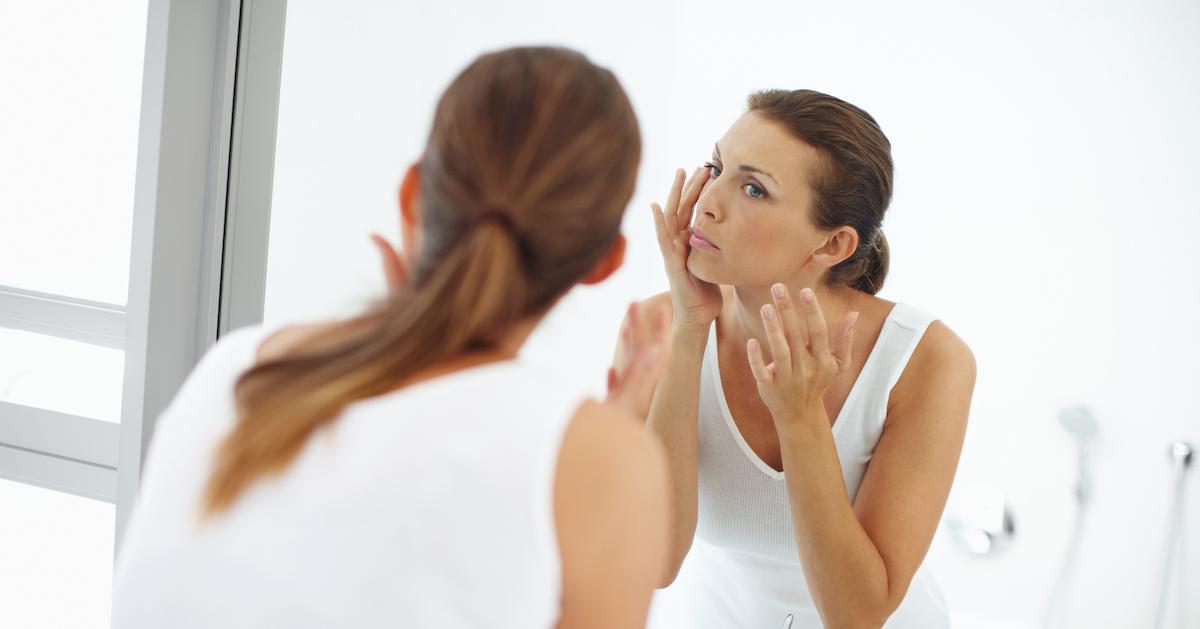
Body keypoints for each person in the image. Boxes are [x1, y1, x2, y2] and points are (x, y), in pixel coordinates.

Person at [112, 46, 673, 629]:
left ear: (411, 193)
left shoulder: (238, 365)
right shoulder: (603, 462)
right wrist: (609, 452)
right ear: (605, 263)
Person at [619, 89, 977, 628]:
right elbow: (651, 561)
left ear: (832, 245)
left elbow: (857, 614)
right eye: (716, 167)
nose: (708, 202)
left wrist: (800, 414)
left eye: (755, 189)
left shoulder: (926, 360)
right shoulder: (657, 328)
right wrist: (689, 332)